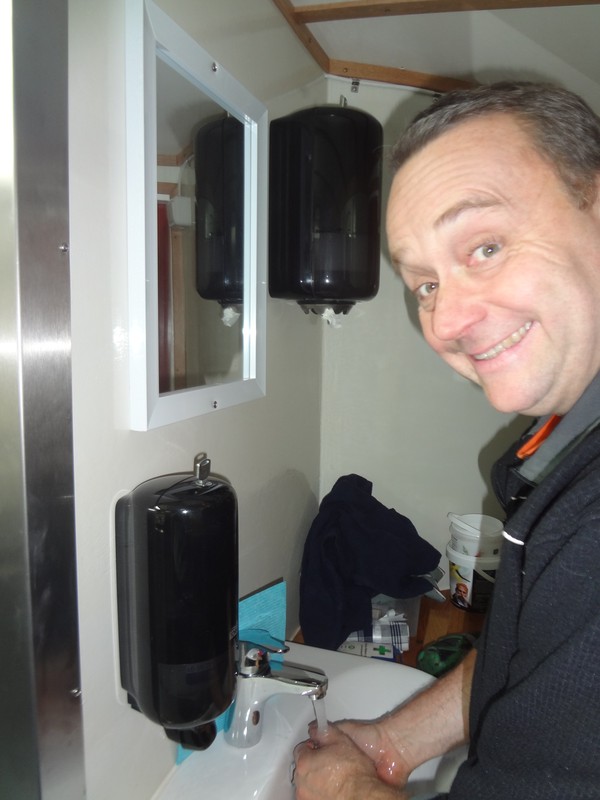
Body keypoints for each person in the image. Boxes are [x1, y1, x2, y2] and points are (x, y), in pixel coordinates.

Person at [293, 81, 600, 799]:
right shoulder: (566, 450)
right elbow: (532, 654)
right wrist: (395, 743)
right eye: (424, 284)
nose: (447, 321)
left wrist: (341, 789)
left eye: (485, 247)